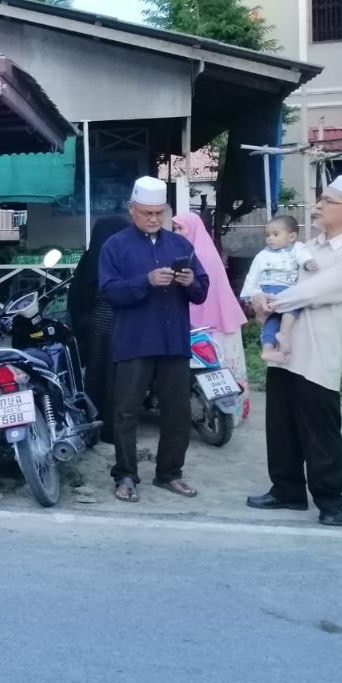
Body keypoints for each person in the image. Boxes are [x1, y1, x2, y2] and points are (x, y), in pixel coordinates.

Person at [247, 175, 342, 528]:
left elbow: (314, 291)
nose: (317, 206)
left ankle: (330, 500)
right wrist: (257, 295)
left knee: (320, 431)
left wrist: (269, 302)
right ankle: (287, 490)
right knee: (281, 426)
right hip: (284, 350)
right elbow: (276, 278)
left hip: (319, 355)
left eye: (327, 201)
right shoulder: (307, 248)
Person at [99, 176, 209, 503]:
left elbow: (202, 291)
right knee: (126, 412)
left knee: (177, 411)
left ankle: (169, 473)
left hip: (173, 340)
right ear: (131, 210)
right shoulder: (115, 245)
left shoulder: (180, 246)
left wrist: (190, 281)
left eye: (158, 213)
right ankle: (126, 475)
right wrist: (145, 280)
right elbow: (108, 291)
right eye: (146, 212)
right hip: (134, 340)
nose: (152, 219)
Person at [173, 212, 251, 415]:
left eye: (181, 228)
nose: (177, 233)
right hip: (221, 319)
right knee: (225, 367)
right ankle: (234, 411)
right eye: (175, 228)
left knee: (218, 368)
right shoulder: (203, 250)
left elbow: (199, 290)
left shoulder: (196, 253)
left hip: (209, 324)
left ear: (194, 229)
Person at [66, 215, 130, 443]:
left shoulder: (91, 258)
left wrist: (81, 322)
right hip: (122, 325)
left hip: (94, 325)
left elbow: (77, 296)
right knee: (118, 377)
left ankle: (91, 428)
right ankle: (113, 429)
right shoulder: (125, 257)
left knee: (94, 375)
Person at [240, 215, 317, 365]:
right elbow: (252, 277)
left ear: (292, 236)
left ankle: (268, 349)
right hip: (270, 289)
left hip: (286, 289)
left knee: (273, 320)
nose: (270, 239)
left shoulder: (297, 248)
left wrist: (308, 263)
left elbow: (303, 255)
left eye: (275, 234)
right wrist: (251, 295)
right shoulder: (262, 256)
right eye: (267, 235)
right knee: (293, 306)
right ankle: (284, 335)